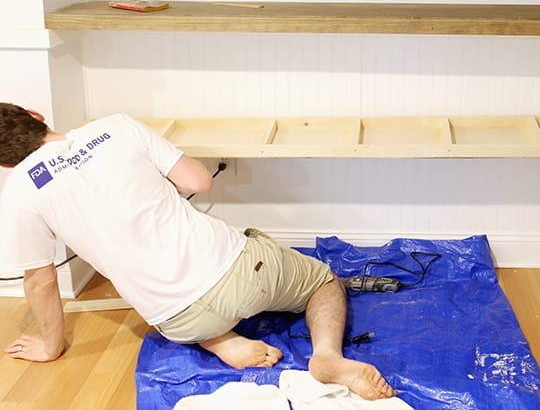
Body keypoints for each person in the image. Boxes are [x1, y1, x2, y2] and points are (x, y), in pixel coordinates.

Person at [0, 103, 394, 401]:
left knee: (179, 303)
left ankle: (219, 340)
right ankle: (327, 355)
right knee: (322, 282)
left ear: (5, 162)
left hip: (175, 320)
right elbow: (201, 181)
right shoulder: (113, 127)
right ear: (35, 114)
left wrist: (51, 347)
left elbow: (40, 281)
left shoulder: (19, 190)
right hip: (243, 272)